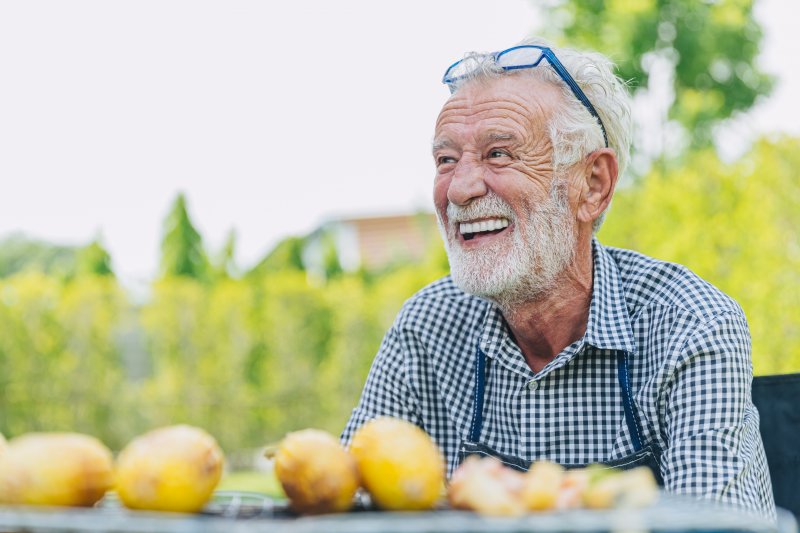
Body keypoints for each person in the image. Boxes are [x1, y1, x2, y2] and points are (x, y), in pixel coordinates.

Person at [341, 37, 774, 517]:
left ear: (593, 185)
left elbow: (707, 531)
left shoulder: (690, 326)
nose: (460, 189)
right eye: (446, 160)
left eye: (499, 154)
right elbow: (344, 505)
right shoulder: (426, 327)